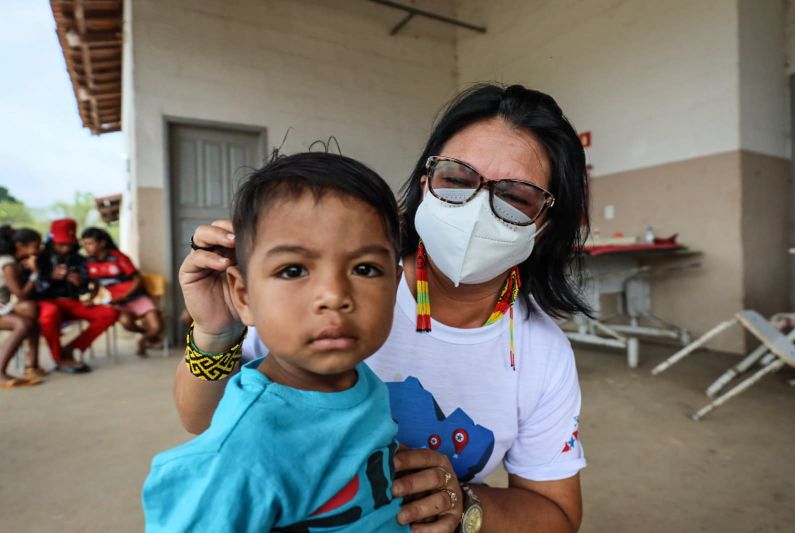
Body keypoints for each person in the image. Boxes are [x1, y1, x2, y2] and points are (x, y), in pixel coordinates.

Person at [175, 84, 590, 532]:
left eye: (516, 196)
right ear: (426, 181)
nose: (476, 207)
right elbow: (204, 423)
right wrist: (215, 333)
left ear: (545, 225)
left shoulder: (542, 352)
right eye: (456, 177)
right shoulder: (328, 291)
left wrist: (466, 504)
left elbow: (559, 516)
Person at [143, 152, 412, 532]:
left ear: (395, 285)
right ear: (243, 295)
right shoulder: (240, 457)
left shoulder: (362, 382)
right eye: (293, 270)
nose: (334, 295)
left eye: (365, 269)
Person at [36, 218, 118, 373]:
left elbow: (85, 290)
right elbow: (34, 289)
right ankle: (59, 358)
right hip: (48, 303)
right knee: (49, 314)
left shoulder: (80, 260)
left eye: (68, 244)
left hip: (72, 303)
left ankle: (71, 349)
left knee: (109, 313)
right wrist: (50, 278)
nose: (65, 248)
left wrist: (80, 283)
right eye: (61, 244)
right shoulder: (40, 258)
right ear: (52, 241)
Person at [81, 227, 163, 356]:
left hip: (138, 297)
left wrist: (125, 296)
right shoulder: (88, 263)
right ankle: (148, 337)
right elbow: (96, 284)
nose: (86, 247)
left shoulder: (118, 257)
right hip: (119, 303)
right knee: (126, 323)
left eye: (90, 243)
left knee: (156, 327)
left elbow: (138, 280)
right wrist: (91, 298)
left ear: (101, 243)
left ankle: (143, 341)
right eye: (84, 244)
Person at [0, 225, 44, 387]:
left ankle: (32, 365)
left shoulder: (11, 261)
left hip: (2, 305)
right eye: (35, 245)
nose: (38, 249)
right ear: (20, 245)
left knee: (31, 310)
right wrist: (35, 273)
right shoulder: (8, 264)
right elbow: (21, 295)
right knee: (22, 324)